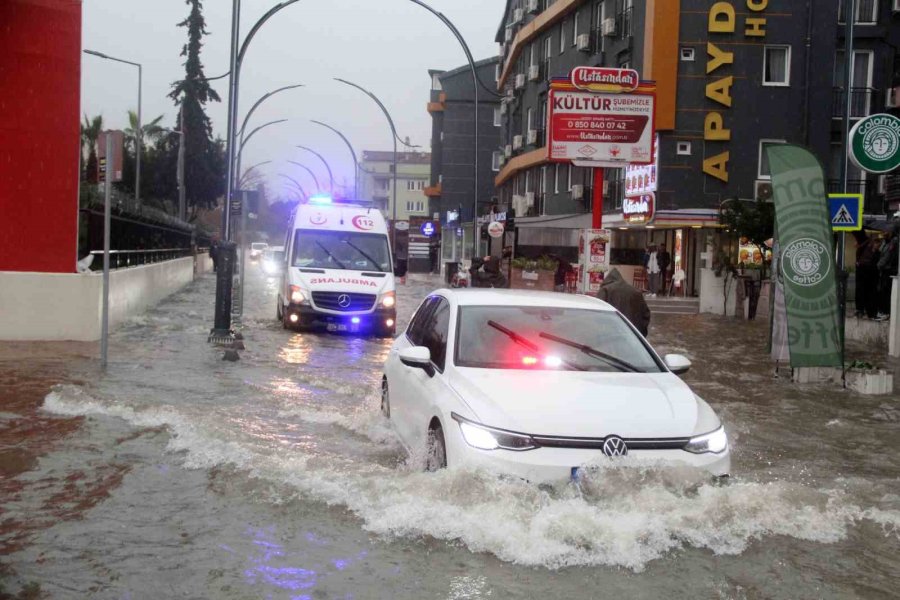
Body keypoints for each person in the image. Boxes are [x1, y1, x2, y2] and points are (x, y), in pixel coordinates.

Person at [596, 268, 651, 336]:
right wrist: (640, 332)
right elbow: (646, 315)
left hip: (610, 334)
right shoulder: (635, 291)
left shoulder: (605, 290)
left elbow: (597, 313)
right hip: (632, 335)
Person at [854, 231, 879, 319]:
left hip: (865, 269)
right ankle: (868, 312)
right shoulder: (866, 243)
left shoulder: (865, 243)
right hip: (866, 269)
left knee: (863, 290)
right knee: (868, 291)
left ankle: (862, 310)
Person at [876, 226, 899, 320]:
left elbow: (887, 256)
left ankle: (886, 312)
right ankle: (884, 311)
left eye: (886, 231)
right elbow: (881, 251)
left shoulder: (894, 242)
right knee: (883, 292)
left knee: (886, 292)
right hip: (885, 269)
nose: (884, 233)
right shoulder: (887, 241)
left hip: (889, 270)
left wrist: (878, 265)